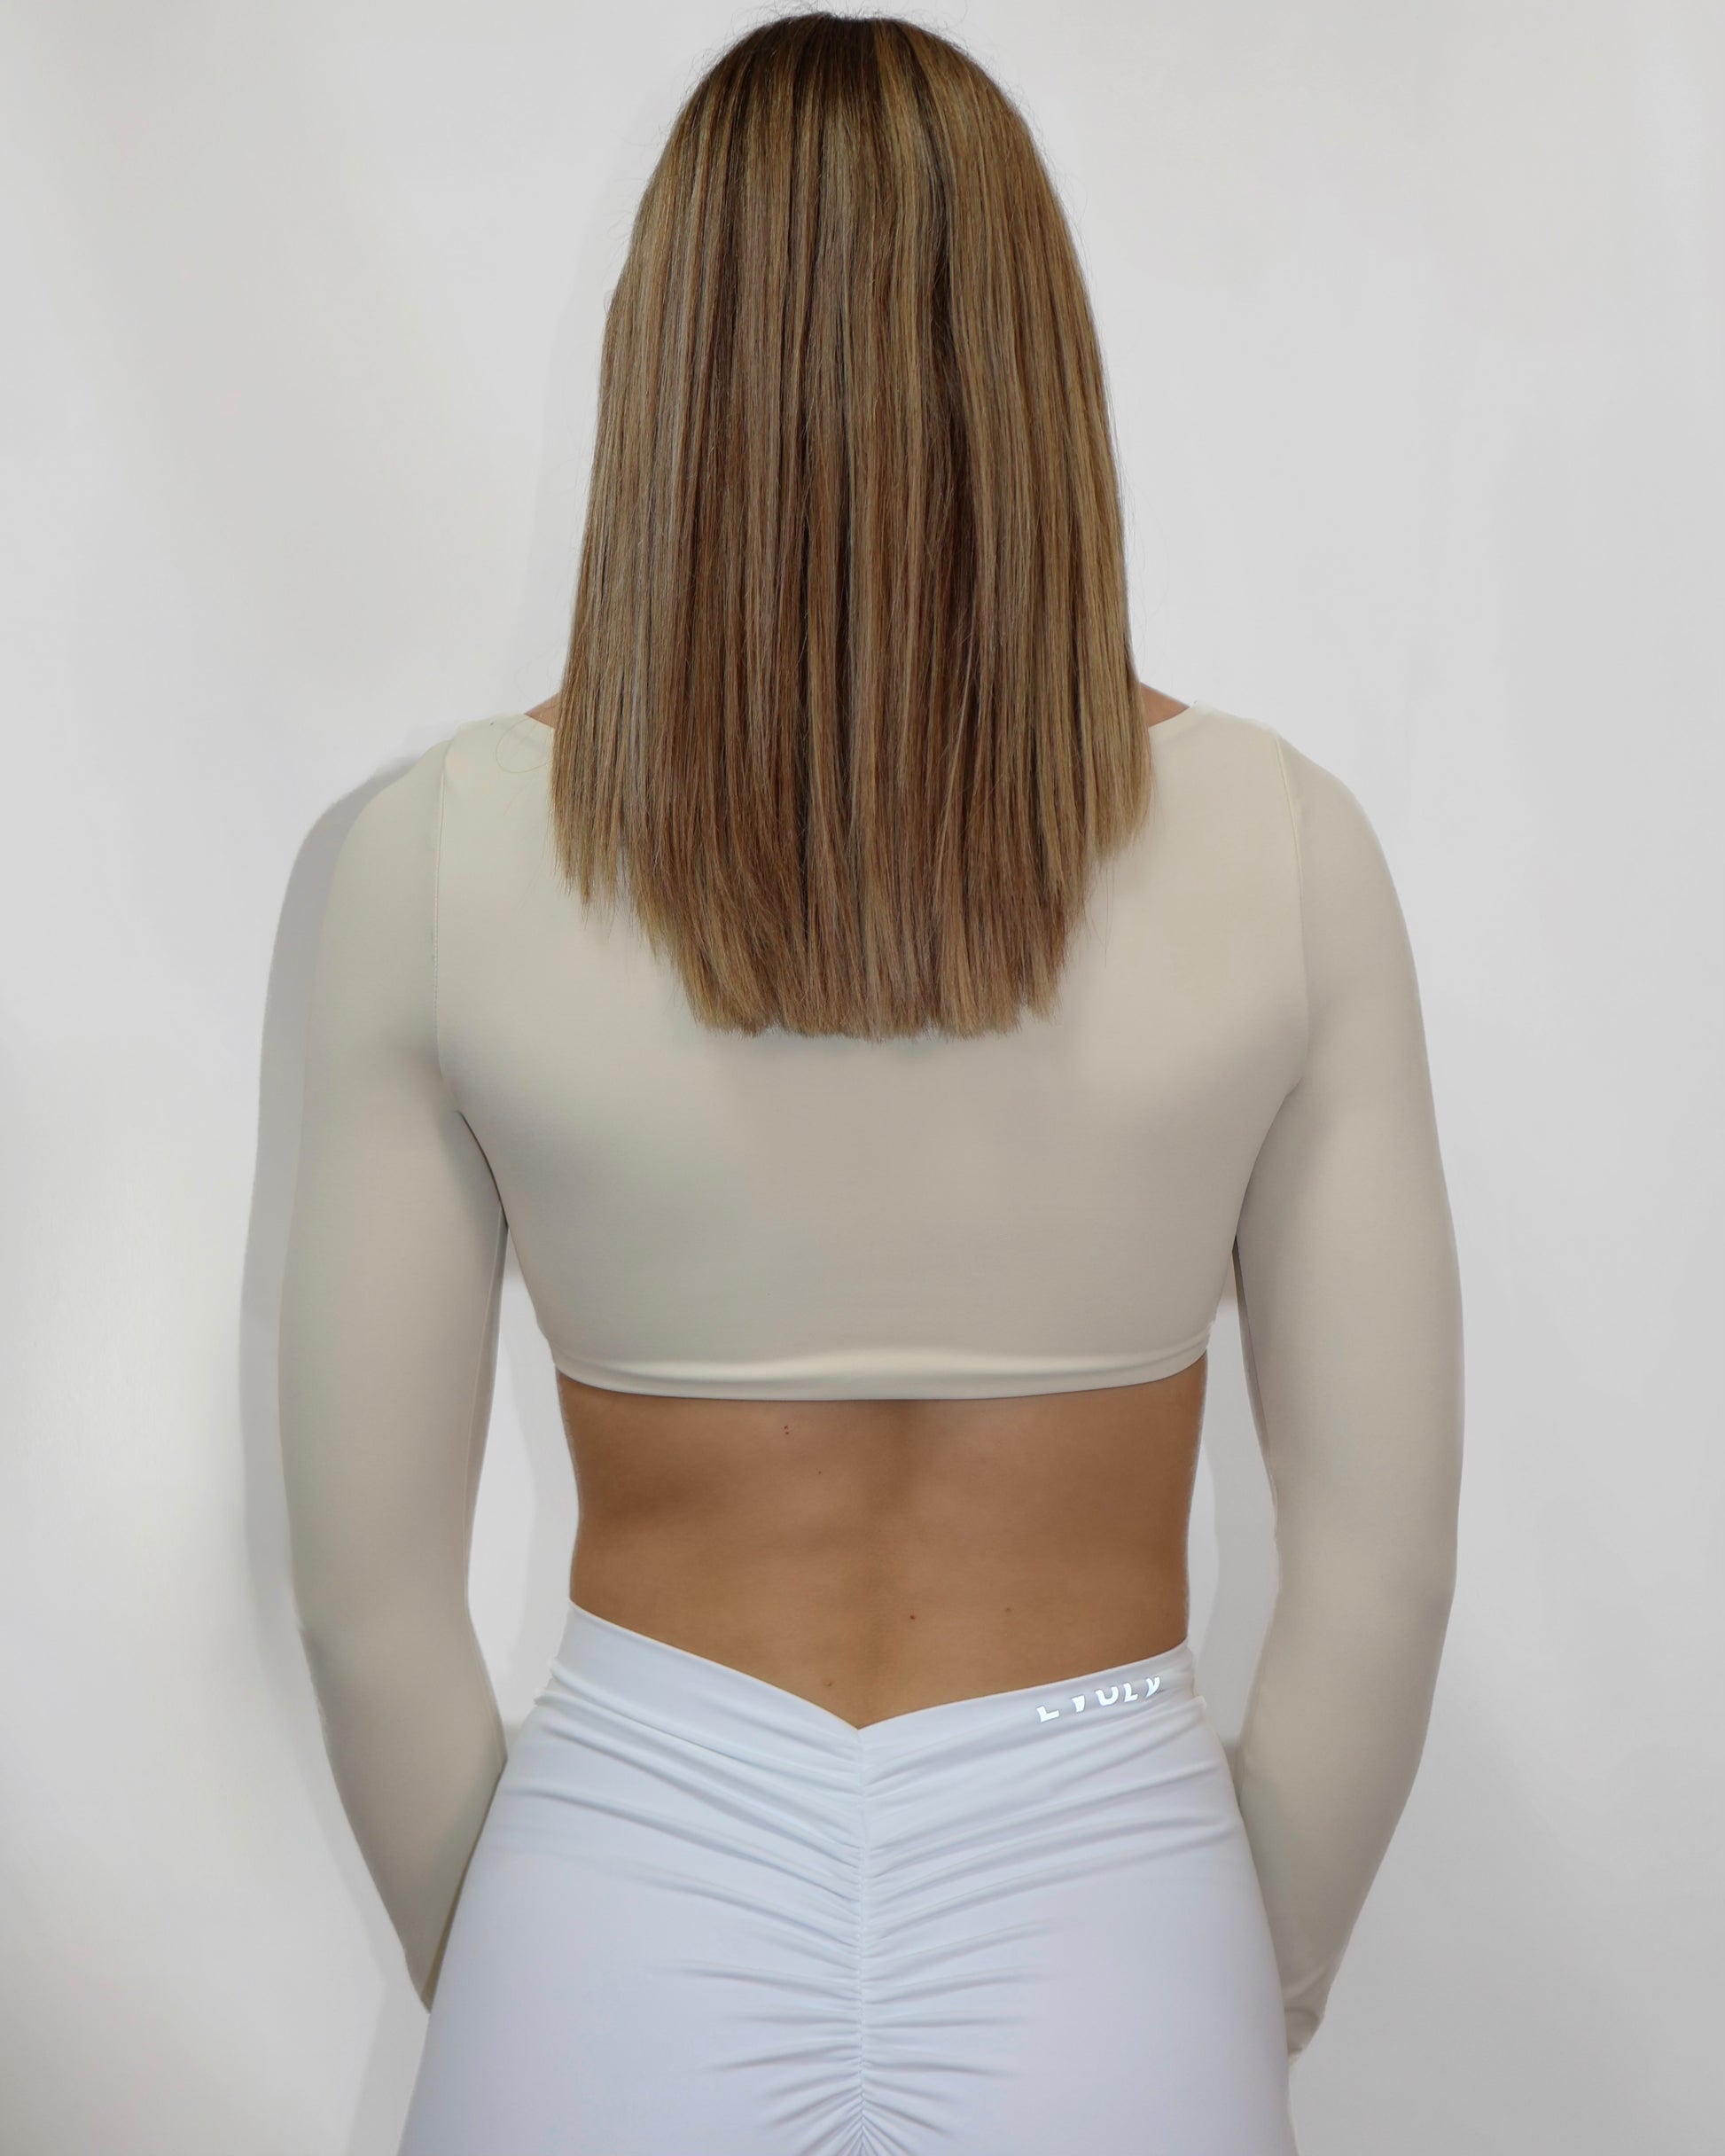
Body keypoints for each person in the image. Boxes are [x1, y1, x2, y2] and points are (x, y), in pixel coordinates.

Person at [277, 14, 1464, 2154]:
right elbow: (1376, 1580)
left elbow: (370, 1609)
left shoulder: (437, 860)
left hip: (619, 1899)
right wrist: (1235, 1983)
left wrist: (537, 1964)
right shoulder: (1285, 852)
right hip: (1114, 1913)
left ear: (668, 363)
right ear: (1035, 365)